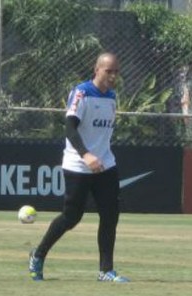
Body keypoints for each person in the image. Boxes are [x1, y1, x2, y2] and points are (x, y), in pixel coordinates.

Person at [29, 52, 129, 283]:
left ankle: (106, 271)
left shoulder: (112, 96)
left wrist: (99, 156)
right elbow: (70, 129)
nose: (113, 75)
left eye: (116, 71)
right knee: (72, 217)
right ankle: (38, 254)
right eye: (108, 71)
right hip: (78, 165)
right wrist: (86, 155)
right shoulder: (82, 93)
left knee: (110, 215)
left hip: (105, 164)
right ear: (97, 69)